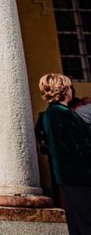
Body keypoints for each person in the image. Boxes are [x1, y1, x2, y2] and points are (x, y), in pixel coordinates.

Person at [38, 73, 91, 235]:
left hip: (67, 176)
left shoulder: (50, 114)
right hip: (81, 176)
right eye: (69, 86)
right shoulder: (63, 114)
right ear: (64, 90)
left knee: (78, 223)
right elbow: (83, 147)